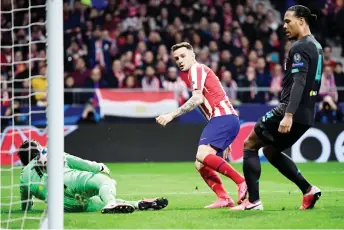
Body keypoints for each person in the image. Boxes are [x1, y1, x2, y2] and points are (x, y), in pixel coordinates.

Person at [231, 5, 322, 211]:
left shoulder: (299, 47)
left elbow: (299, 82)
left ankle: (253, 202)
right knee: (271, 151)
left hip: (291, 110)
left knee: (250, 144)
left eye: (288, 21)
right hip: (307, 114)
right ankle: (308, 190)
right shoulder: (316, 46)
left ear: (301, 21)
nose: (284, 26)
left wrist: (288, 114)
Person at [155, 42, 247, 209]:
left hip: (223, 117)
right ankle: (224, 198)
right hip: (225, 119)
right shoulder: (197, 73)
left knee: (202, 155)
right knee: (200, 164)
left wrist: (171, 114)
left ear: (193, 56)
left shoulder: (196, 69)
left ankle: (241, 181)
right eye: (176, 58)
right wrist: (226, 139)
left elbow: (197, 99)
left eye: (183, 56)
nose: (180, 60)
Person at [18, 140, 168, 213]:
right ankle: (111, 203)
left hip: (65, 205)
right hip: (68, 180)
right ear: (36, 149)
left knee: (96, 201)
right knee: (104, 181)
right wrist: (99, 166)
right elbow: (79, 162)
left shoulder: (23, 177)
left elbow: (25, 206)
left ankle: (137, 204)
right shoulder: (47, 153)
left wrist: (29, 204)